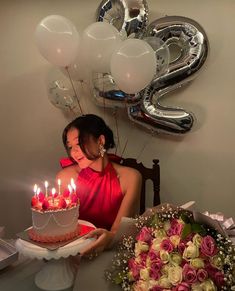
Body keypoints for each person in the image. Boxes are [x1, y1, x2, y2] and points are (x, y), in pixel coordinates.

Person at [56, 114, 142, 256]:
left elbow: (117, 232)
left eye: (78, 143)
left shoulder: (131, 177)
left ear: (100, 141)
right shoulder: (65, 177)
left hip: (112, 253)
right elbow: (62, 228)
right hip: (73, 253)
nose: (73, 152)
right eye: (70, 146)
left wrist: (109, 237)